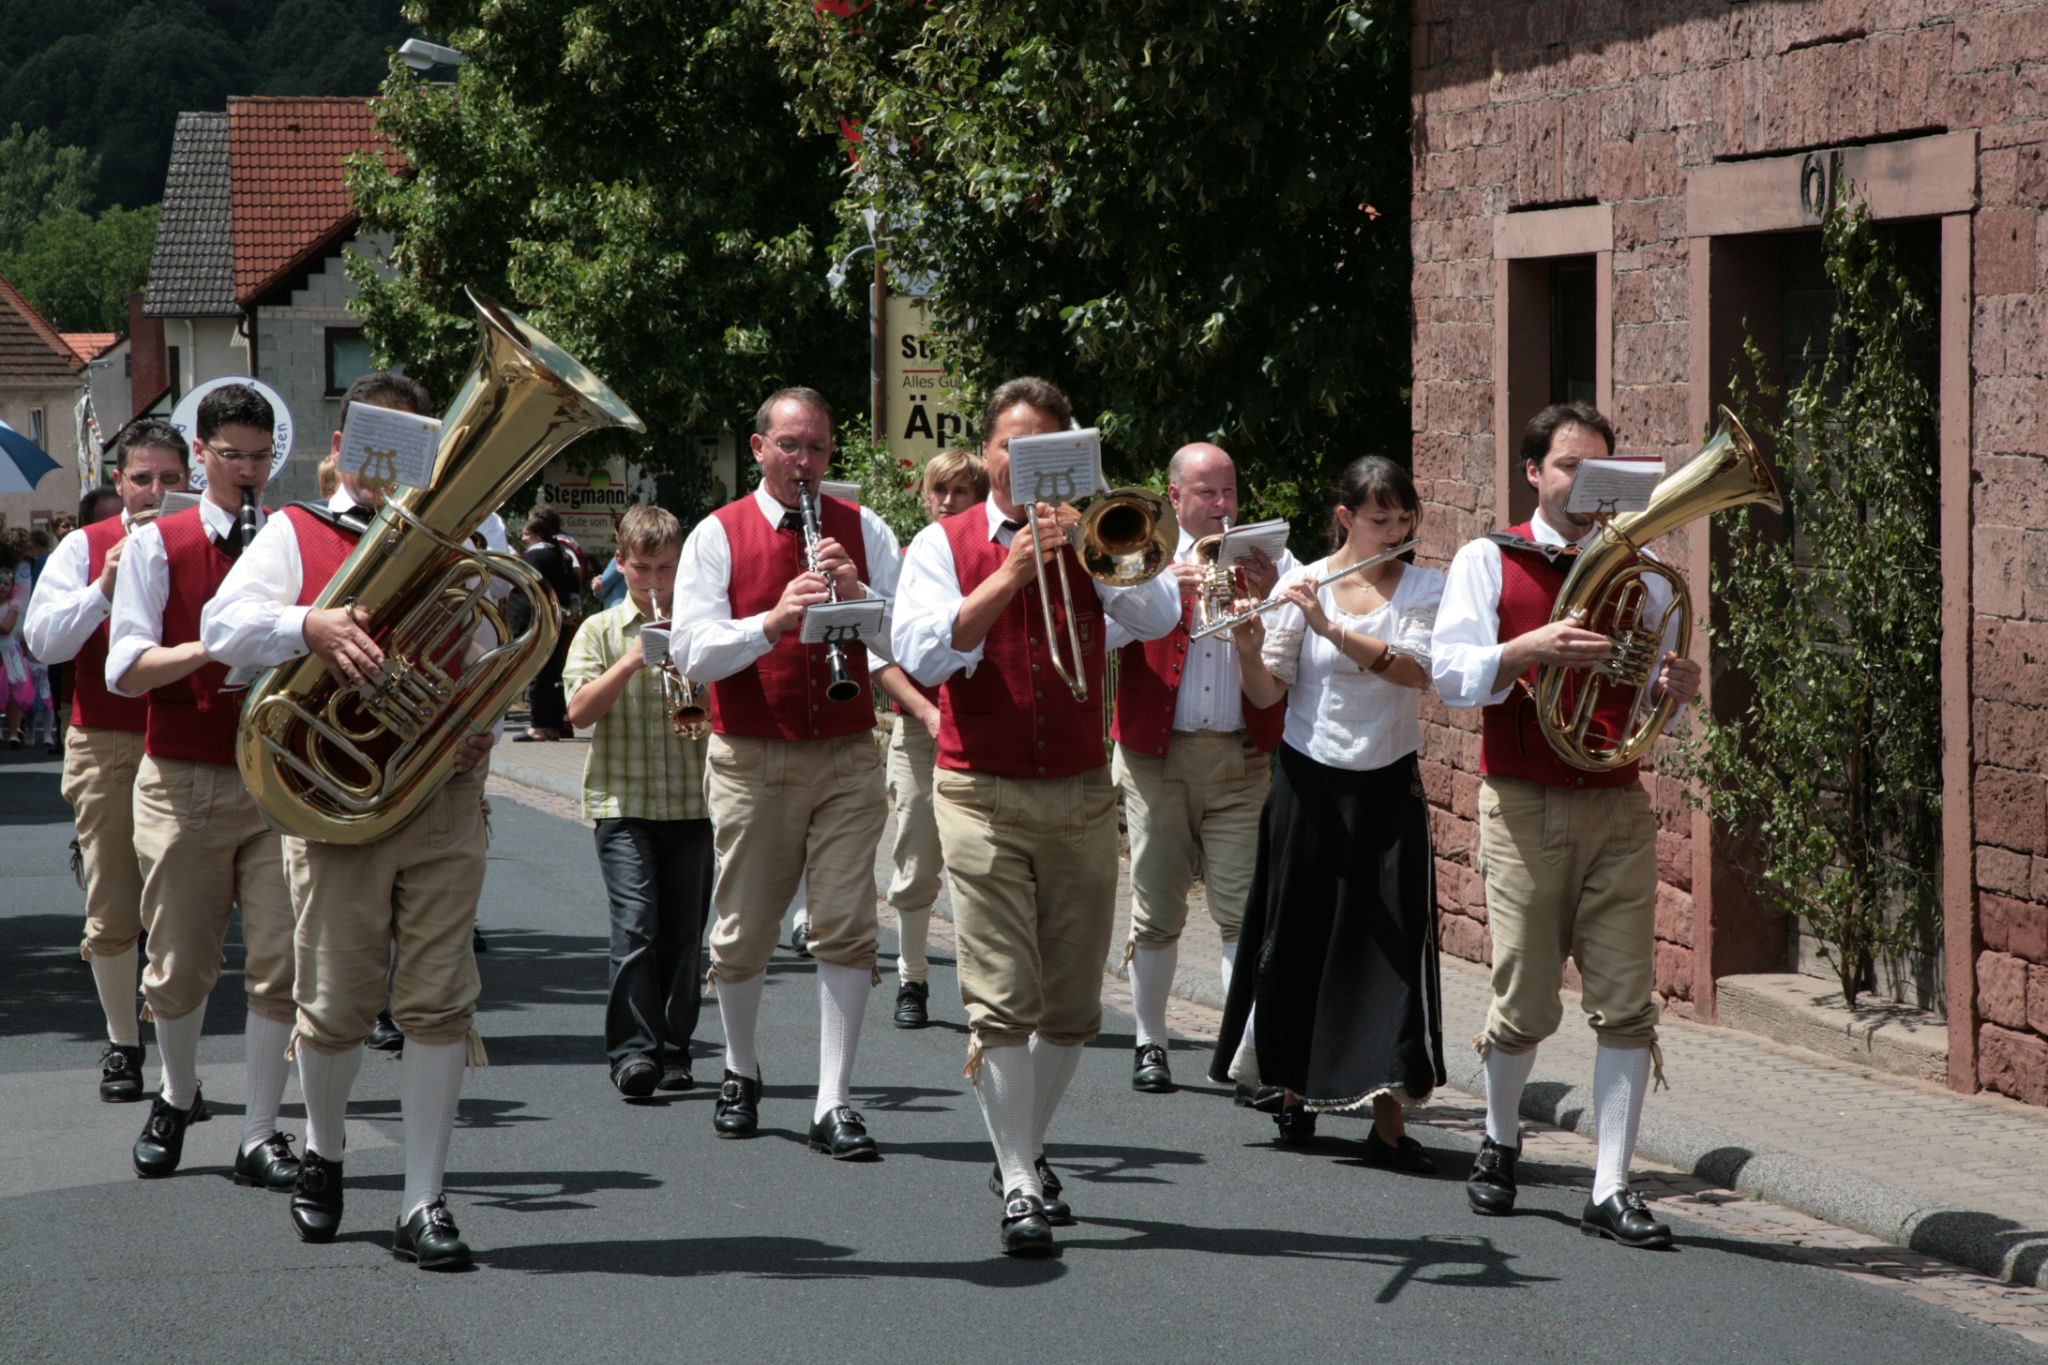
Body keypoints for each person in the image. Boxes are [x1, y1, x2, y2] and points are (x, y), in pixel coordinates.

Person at [201, 370, 492, 1269]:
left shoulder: (470, 534)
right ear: (340, 448)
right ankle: (325, 1153)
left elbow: (491, 648)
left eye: (414, 443)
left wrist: (479, 719)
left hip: (441, 797)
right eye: (379, 441)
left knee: (441, 999)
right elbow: (222, 628)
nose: (396, 460)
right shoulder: (297, 531)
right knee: (333, 1004)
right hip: (337, 800)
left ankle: (423, 1199)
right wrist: (310, 627)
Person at [892, 376, 1180, 1256]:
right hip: (978, 791)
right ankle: (1019, 1180)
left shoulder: (1092, 538)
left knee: (1072, 1006)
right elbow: (923, 650)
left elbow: (1159, 613)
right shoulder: (941, 543)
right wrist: (1011, 571)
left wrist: (1093, 548)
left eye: (1047, 451)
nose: (1025, 466)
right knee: (1002, 997)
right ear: (988, 454)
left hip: (1083, 792)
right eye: (1012, 449)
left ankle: (1024, 1145)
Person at [1430, 400, 1700, 1250]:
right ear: (1534, 473)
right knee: (1525, 996)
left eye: (1599, 469)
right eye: (1568, 467)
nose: (1584, 484)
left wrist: (1671, 689)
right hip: (1524, 801)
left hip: (1617, 802)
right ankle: (1499, 1138)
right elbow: (1450, 675)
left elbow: (1648, 693)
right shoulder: (1489, 557)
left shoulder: (1643, 574)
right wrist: (1529, 649)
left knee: (1627, 1003)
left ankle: (1610, 1184)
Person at [674, 386, 900, 1160]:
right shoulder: (718, 533)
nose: (806, 461)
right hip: (752, 752)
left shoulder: (864, 527)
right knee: (742, 929)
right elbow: (692, 651)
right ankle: (740, 1069)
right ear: (760, 447)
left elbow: (910, 639)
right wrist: (770, 622)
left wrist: (858, 595)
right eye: (791, 446)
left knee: (846, 925)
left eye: (819, 448)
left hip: (846, 750)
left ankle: (833, 1099)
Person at [1211, 457, 1446, 1164]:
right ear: (1345, 518)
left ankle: (1388, 1122)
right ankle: (1290, 1091)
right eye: (1380, 520)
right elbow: (1266, 693)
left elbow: (1413, 670)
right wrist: (1247, 646)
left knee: (1390, 950)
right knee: (1297, 937)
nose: (1395, 532)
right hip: (1308, 782)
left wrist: (1329, 625)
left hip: (1387, 785)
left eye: (1404, 519)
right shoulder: (1303, 582)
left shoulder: (1425, 587)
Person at [105, 384, 301, 1190]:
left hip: (278, 780)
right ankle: (178, 1093)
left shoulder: (290, 537)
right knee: (179, 963)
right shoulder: (160, 543)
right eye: (232, 456)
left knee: (282, 963)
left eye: (260, 457)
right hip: (185, 775)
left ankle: (261, 1130)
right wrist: (213, 645)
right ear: (201, 455)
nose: (248, 472)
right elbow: (124, 668)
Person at [1108, 442, 1290, 1093]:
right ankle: (1150, 1042)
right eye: (1207, 492)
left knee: (1243, 912)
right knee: (1157, 911)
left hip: (1241, 758)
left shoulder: (1268, 559)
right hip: (1156, 759)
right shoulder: (1140, 553)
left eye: (1228, 491)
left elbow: (1299, 638)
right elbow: (1103, 631)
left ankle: (1245, 1051)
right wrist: (1159, 590)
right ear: (1175, 496)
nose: (1221, 504)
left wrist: (1272, 596)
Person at [23, 421, 190, 1102]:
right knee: (113, 900)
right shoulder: (83, 545)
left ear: (189, 480)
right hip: (109, 739)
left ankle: (179, 1066)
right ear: (120, 481)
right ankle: (124, 1041)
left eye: (170, 478)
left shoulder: (204, 541)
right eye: (142, 478)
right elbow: (43, 643)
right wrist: (102, 587)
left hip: (189, 736)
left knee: (182, 910)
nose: (156, 491)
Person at [562, 504, 713, 1098]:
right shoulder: (598, 631)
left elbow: (716, 714)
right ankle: (632, 1052)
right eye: (643, 568)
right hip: (622, 803)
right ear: (621, 564)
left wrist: (698, 676)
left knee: (684, 937)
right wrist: (631, 660)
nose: (654, 582)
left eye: (666, 569)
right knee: (636, 927)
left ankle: (675, 1049)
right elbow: (578, 713)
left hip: (692, 803)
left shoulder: (701, 626)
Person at [870, 447, 987, 1028]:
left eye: (961, 491)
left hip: (982, 731)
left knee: (980, 867)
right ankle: (912, 977)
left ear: (979, 498)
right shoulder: (907, 559)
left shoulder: (993, 555)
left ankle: (983, 990)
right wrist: (924, 712)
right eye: (939, 491)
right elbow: (878, 655)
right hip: (921, 733)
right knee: (916, 860)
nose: (947, 501)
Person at [515, 503, 582, 741]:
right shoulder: (560, 553)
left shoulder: (535, 556)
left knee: (539, 672)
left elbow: (528, 590)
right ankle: (554, 724)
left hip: (538, 620)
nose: (523, 538)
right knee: (553, 673)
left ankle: (539, 726)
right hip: (556, 619)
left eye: (526, 533)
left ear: (538, 533)